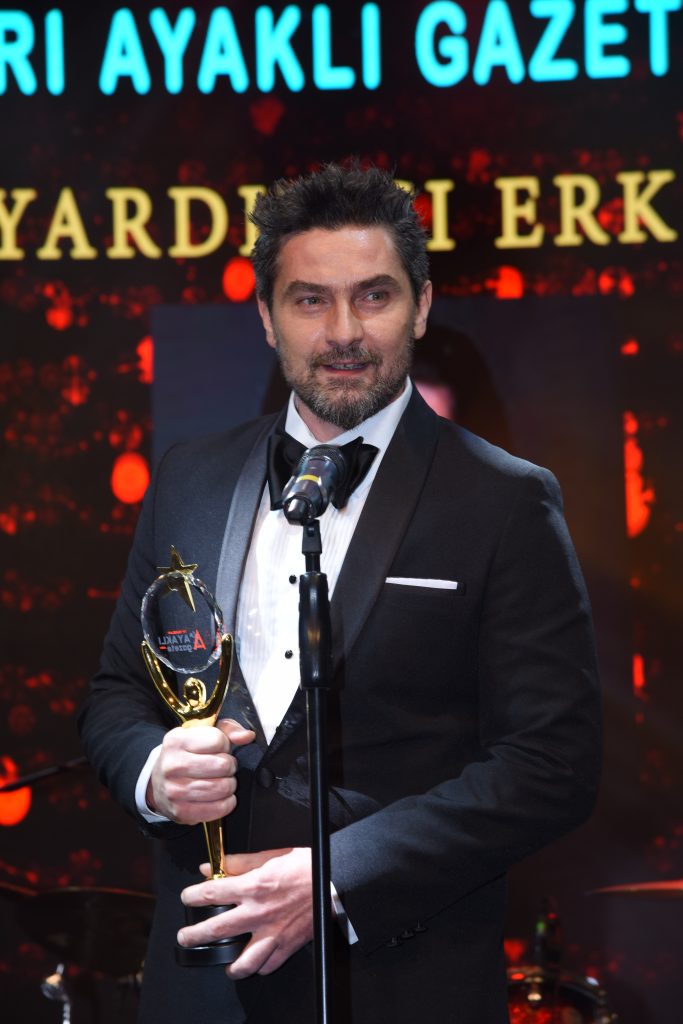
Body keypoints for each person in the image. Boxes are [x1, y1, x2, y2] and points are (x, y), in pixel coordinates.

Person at [78, 162, 601, 1023]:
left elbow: (552, 763)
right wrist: (152, 773)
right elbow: (117, 695)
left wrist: (336, 878)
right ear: (266, 316)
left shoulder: (505, 500)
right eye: (310, 301)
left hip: (401, 980)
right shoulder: (188, 480)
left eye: (374, 297)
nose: (344, 332)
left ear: (421, 306)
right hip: (201, 981)